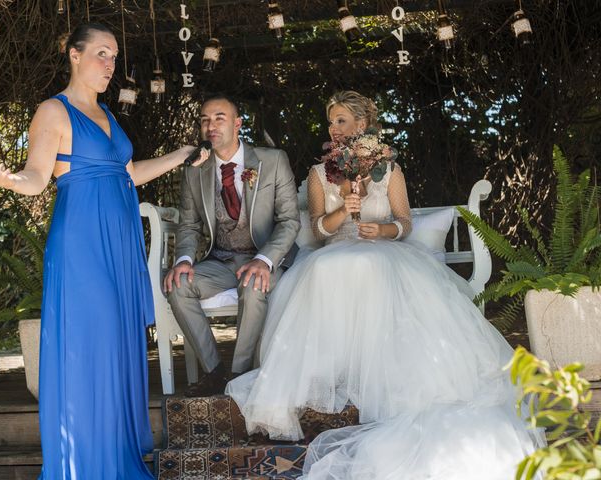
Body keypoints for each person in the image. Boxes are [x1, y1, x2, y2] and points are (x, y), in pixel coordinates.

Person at [226, 91, 545, 479]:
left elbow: (405, 222)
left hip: (382, 250)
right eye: (331, 122)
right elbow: (319, 230)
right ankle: (332, 369)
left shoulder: (389, 169)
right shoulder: (317, 174)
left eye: (341, 120)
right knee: (331, 268)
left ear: (361, 126)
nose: (334, 127)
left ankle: (381, 367)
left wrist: (384, 230)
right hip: (336, 251)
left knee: (369, 263)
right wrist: (344, 206)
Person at [0, 23, 207, 479]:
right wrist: (7, 180)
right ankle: (86, 467)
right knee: (89, 347)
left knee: (118, 345)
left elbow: (129, 173)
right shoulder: (53, 111)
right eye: (101, 53)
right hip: (82, 243)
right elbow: (37, 177)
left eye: (114, 56)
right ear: (74, 55)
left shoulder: (108, 116)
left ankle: (114, 458)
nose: (110, 64)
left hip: (119, 243)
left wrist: (179, 154)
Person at [163, 94, 300, 397]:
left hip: (265, 257)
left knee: (253, 285)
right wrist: (184, 259)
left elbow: (290, 221)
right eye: (204, 120)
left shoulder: (272, 160)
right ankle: (214, 372)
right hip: (222, 260)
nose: (210, 125)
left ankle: (239, 377)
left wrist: (264, 260)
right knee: (177, 284)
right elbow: (188, 224)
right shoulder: (195, 170)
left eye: (219, 118)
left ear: (237, 123)